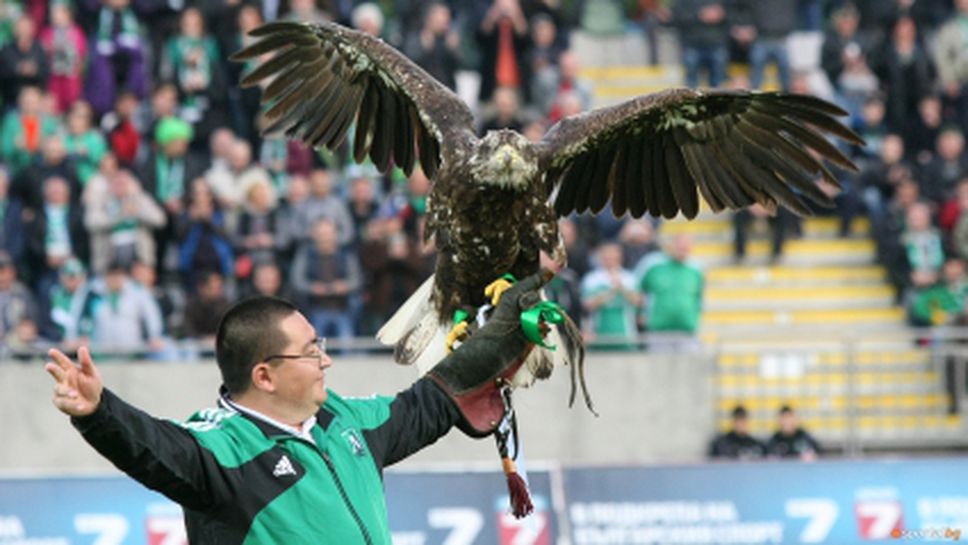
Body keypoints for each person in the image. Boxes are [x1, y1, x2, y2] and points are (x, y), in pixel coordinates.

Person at [44, 271, 553, 543]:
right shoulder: (221, 450)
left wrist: (501, 335)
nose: (325, 360)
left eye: (320, 344)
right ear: (263, 375)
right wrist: (98, 413)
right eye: (311, 351)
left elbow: (430, 402)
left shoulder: (346, 420)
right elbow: (153, 449)